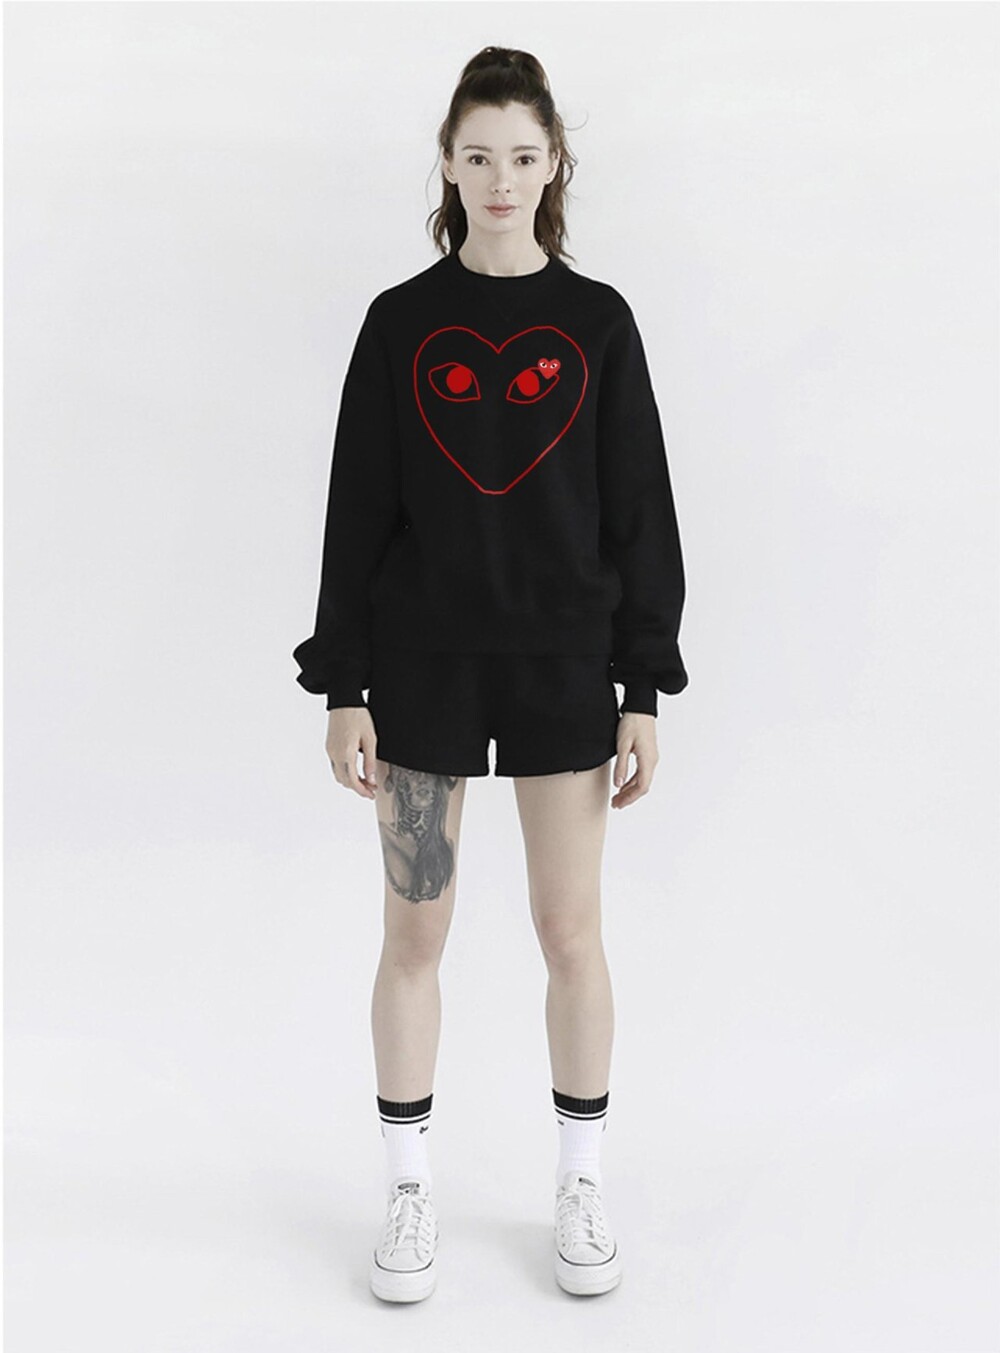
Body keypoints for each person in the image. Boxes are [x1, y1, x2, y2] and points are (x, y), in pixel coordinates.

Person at [292, 46, 689, 1304]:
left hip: (564, 667)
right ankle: (409, 1191)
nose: (501, 179)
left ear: (554, 160)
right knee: (416, 930)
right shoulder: (399, 324)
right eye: (478, 157)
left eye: (522, 155)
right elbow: (357, 511)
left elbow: (639, 511)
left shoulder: (598, 323)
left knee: (569, 931)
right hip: (424, 671)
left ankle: (580, 1182)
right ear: (449, 167)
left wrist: (642, 687)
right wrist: (343, 684)